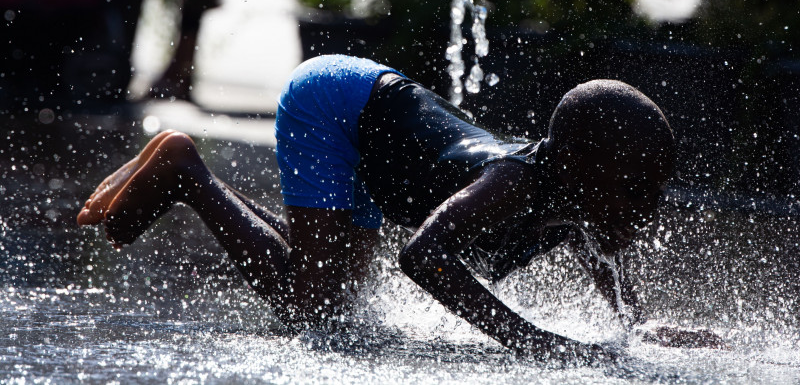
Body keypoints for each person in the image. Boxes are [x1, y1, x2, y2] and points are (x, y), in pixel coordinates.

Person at [77, 54, 721, 359]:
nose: (650, 207)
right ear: (581, 165)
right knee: (315, 306)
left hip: (380, 124)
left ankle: (178, 169)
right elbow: (423, 255)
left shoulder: (582, 200)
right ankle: (187, 170)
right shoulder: (512, 185)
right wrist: (529, 340)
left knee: (335, 300)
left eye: (656, 190)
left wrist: (636, 327)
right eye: (638, 188)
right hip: (336, 104)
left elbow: (602, 258)